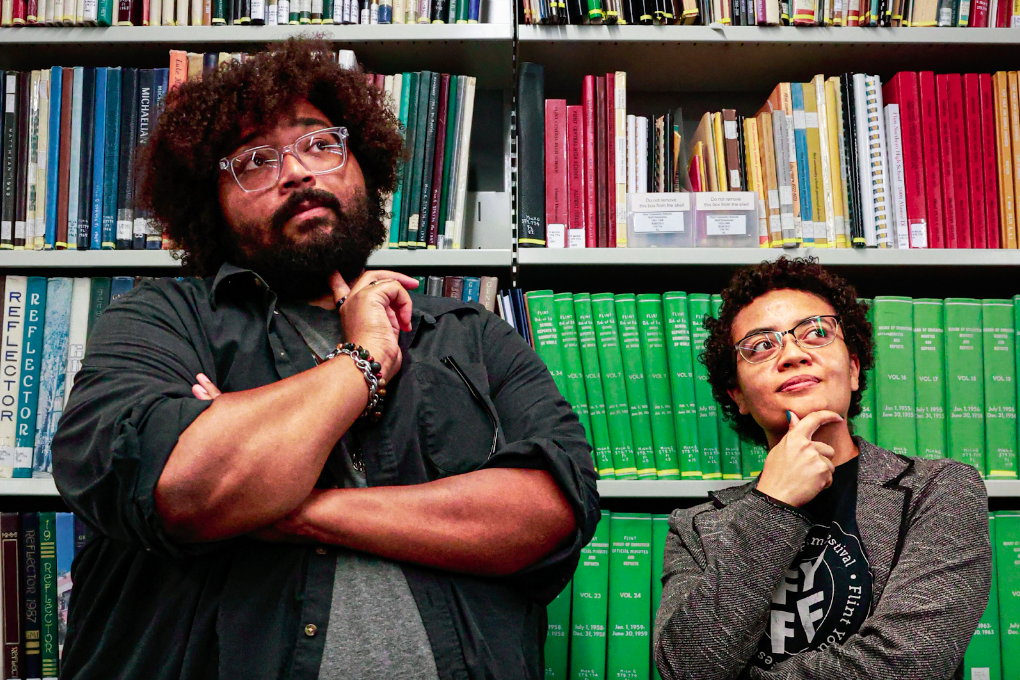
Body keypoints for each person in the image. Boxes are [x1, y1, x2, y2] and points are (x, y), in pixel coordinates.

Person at [51, 39, 600, 680]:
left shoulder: (469, 336)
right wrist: (361, 357)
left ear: (363, 163)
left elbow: (552, 511)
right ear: (211, 201)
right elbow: (178, 487)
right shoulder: (162, 319)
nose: (297, 172)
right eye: (255, 160)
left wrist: (288, 503)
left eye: (319, 144)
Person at [653, 257, 991, 680]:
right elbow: (686, 668)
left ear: (852, 368)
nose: (793, 354)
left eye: (815, 333)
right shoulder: (695, 527)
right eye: (760, 345)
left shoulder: (940, 490)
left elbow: (910, 664)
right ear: (737, 395)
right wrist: (771, 506)